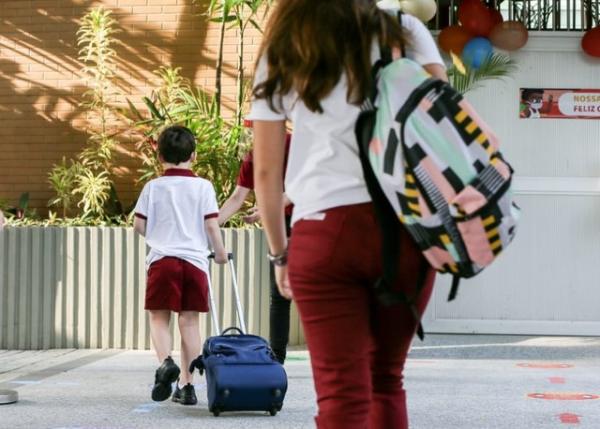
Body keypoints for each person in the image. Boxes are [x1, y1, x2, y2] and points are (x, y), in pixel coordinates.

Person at [248, 1, 448, 428]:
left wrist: (280, 253)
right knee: (386, 379)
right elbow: (444, 121)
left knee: (342, 392)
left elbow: (266, 172)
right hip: (407, 229)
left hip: (324, 230)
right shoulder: (404, 30)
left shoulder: (286, 42)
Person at [133, 125, 228, 406]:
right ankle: (187, 386)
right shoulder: (203, 187)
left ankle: (165, 363)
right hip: (195, 263)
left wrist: (158, 233)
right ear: (194, 156)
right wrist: (220, 253)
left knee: (158, 317)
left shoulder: (153, 187)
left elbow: (139, 224)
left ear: (159, 156)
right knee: (189, 321)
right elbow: (211, 224)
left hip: (163, 261)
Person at [218, 127, 292, 364]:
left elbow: (305, 186)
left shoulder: (294, 144)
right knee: (279, 295)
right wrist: (211, 224)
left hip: (309, 218)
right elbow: (237, 198)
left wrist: (268, 208)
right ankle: (277, 359)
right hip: (277, 223)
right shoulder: (252, 157)